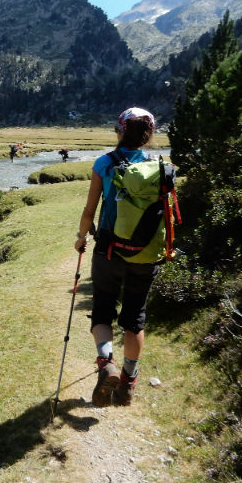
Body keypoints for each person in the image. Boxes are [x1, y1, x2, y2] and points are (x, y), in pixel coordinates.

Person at [74, 107, 159, 408]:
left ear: (119, 131)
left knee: (103, 310)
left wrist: (82, 237)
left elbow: (89, 209)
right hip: (147, 252)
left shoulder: (104, 163)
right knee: (135, 318)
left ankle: (105, 364)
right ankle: (128, 383)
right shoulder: (161, 164)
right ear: (149, 134)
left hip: (109, 249)